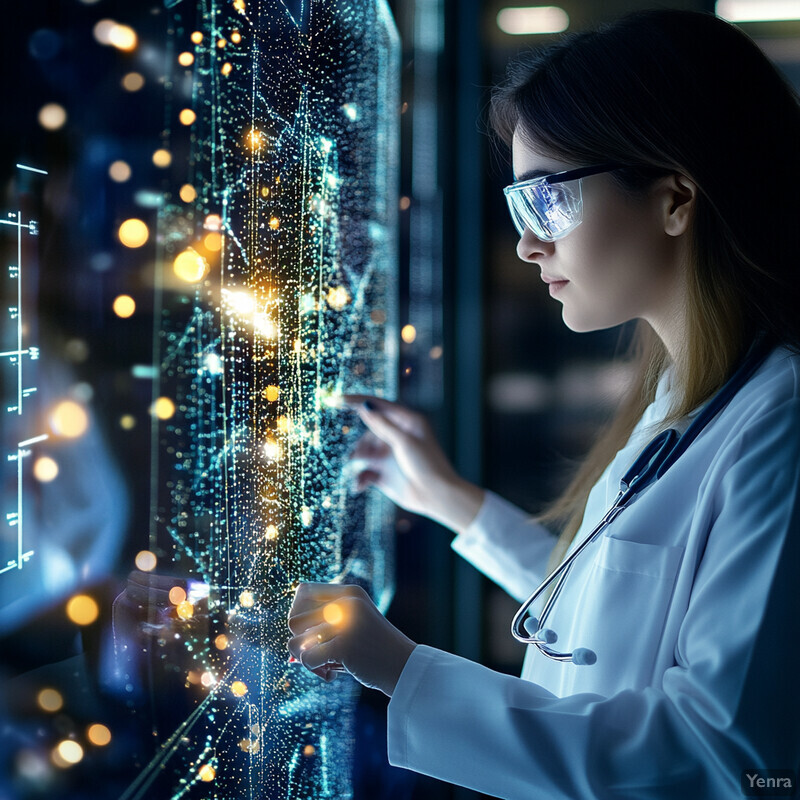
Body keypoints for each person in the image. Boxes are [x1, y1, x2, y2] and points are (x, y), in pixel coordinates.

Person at [288, 8, 800, 798]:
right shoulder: (687, 396)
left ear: (674, 198)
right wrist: (458, 506)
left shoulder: (779, 423)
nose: (528, 245)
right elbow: (610, 620)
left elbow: (726, 758)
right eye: (518, 209)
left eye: (548, 203)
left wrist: (398, 666)